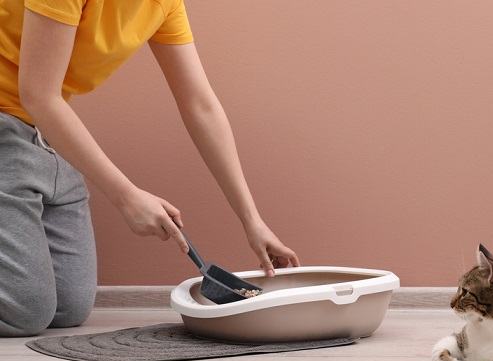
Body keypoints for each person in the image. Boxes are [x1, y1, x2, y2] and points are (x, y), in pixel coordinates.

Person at [0, 0, 300, 337]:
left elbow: (199, 105)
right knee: (25, 312)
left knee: (70, 308)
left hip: (47, 141)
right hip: (7, 128)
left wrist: (252, 220)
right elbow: (39, 96)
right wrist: (126, 196)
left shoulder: (164, 4)